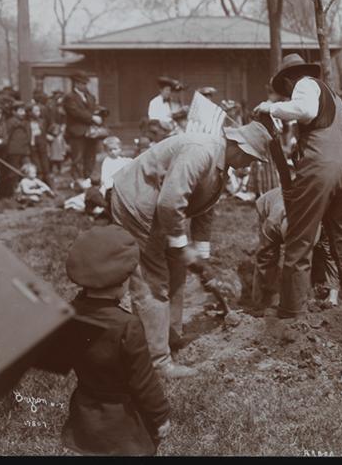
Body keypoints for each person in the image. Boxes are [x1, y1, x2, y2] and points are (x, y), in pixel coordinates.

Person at [110, 121, 272, 377]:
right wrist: (181, 244)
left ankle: (171, 336)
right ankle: (157, 361)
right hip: (137, 203)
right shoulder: (200, 152)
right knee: (154, 282)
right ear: (238, 147)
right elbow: (169, 202)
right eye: (250, 159)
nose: (249, 165)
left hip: (161, 209)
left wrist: (201, 260)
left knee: (177, 270)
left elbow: (204, 211)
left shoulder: (221, 166)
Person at [254, 53, 342, 319]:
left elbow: (305, 110)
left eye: (285, 91)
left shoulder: (305, 84)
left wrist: (270, 108)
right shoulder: (335, 98)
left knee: (299, 239)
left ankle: (291, 315)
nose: (287, 96)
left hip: (322, 167)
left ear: (289, 80)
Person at [61, 225, 170, 455]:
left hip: (85, 414)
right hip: (123, 423)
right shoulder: (127, 326)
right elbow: (144, 381)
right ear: (123, 281)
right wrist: (160, 416)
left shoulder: (69, 314)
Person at [251, 187, 339, 310]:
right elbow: (264, 259)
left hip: (304, 205)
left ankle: (311, 289)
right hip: (268, 203)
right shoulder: (272, 225)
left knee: (316, 257)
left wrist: (333, 295)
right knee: (268, 259)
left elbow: (330, 258)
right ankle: (261, 301)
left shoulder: (324, 222)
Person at [64, 71, 103, 183]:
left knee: (90, 156)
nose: (84, 86)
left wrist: (100, 113)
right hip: (77, 132)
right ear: (76, 83)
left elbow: (94, 108)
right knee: (77, 158)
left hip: (91, 132)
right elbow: (75, 112)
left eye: (85, 83)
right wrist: (92, 117)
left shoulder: (90, 96)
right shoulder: (70, 97)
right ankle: (78, 181)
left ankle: (88, 179)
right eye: (82, 83)